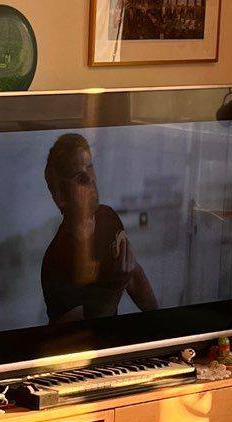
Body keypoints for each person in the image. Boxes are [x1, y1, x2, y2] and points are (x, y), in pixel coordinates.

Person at [40, 132, 157, 323]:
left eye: (90, 167)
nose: (90, 179)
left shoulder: (107, 217)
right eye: (79, 176)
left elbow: (134, 278)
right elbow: (80, 334)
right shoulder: (54, 262)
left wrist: (160, 322)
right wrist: (115, 287)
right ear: (60, 195)